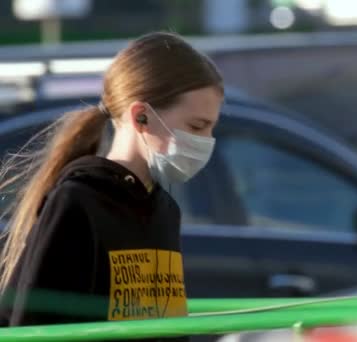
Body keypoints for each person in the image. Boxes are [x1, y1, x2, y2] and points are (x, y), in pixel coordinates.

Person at [0, 31, 224, 340]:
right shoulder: (78, 202)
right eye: (197, 126)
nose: (206, 142)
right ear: (142, 117)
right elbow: (34, 328)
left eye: (211, 127)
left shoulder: (165, 209)